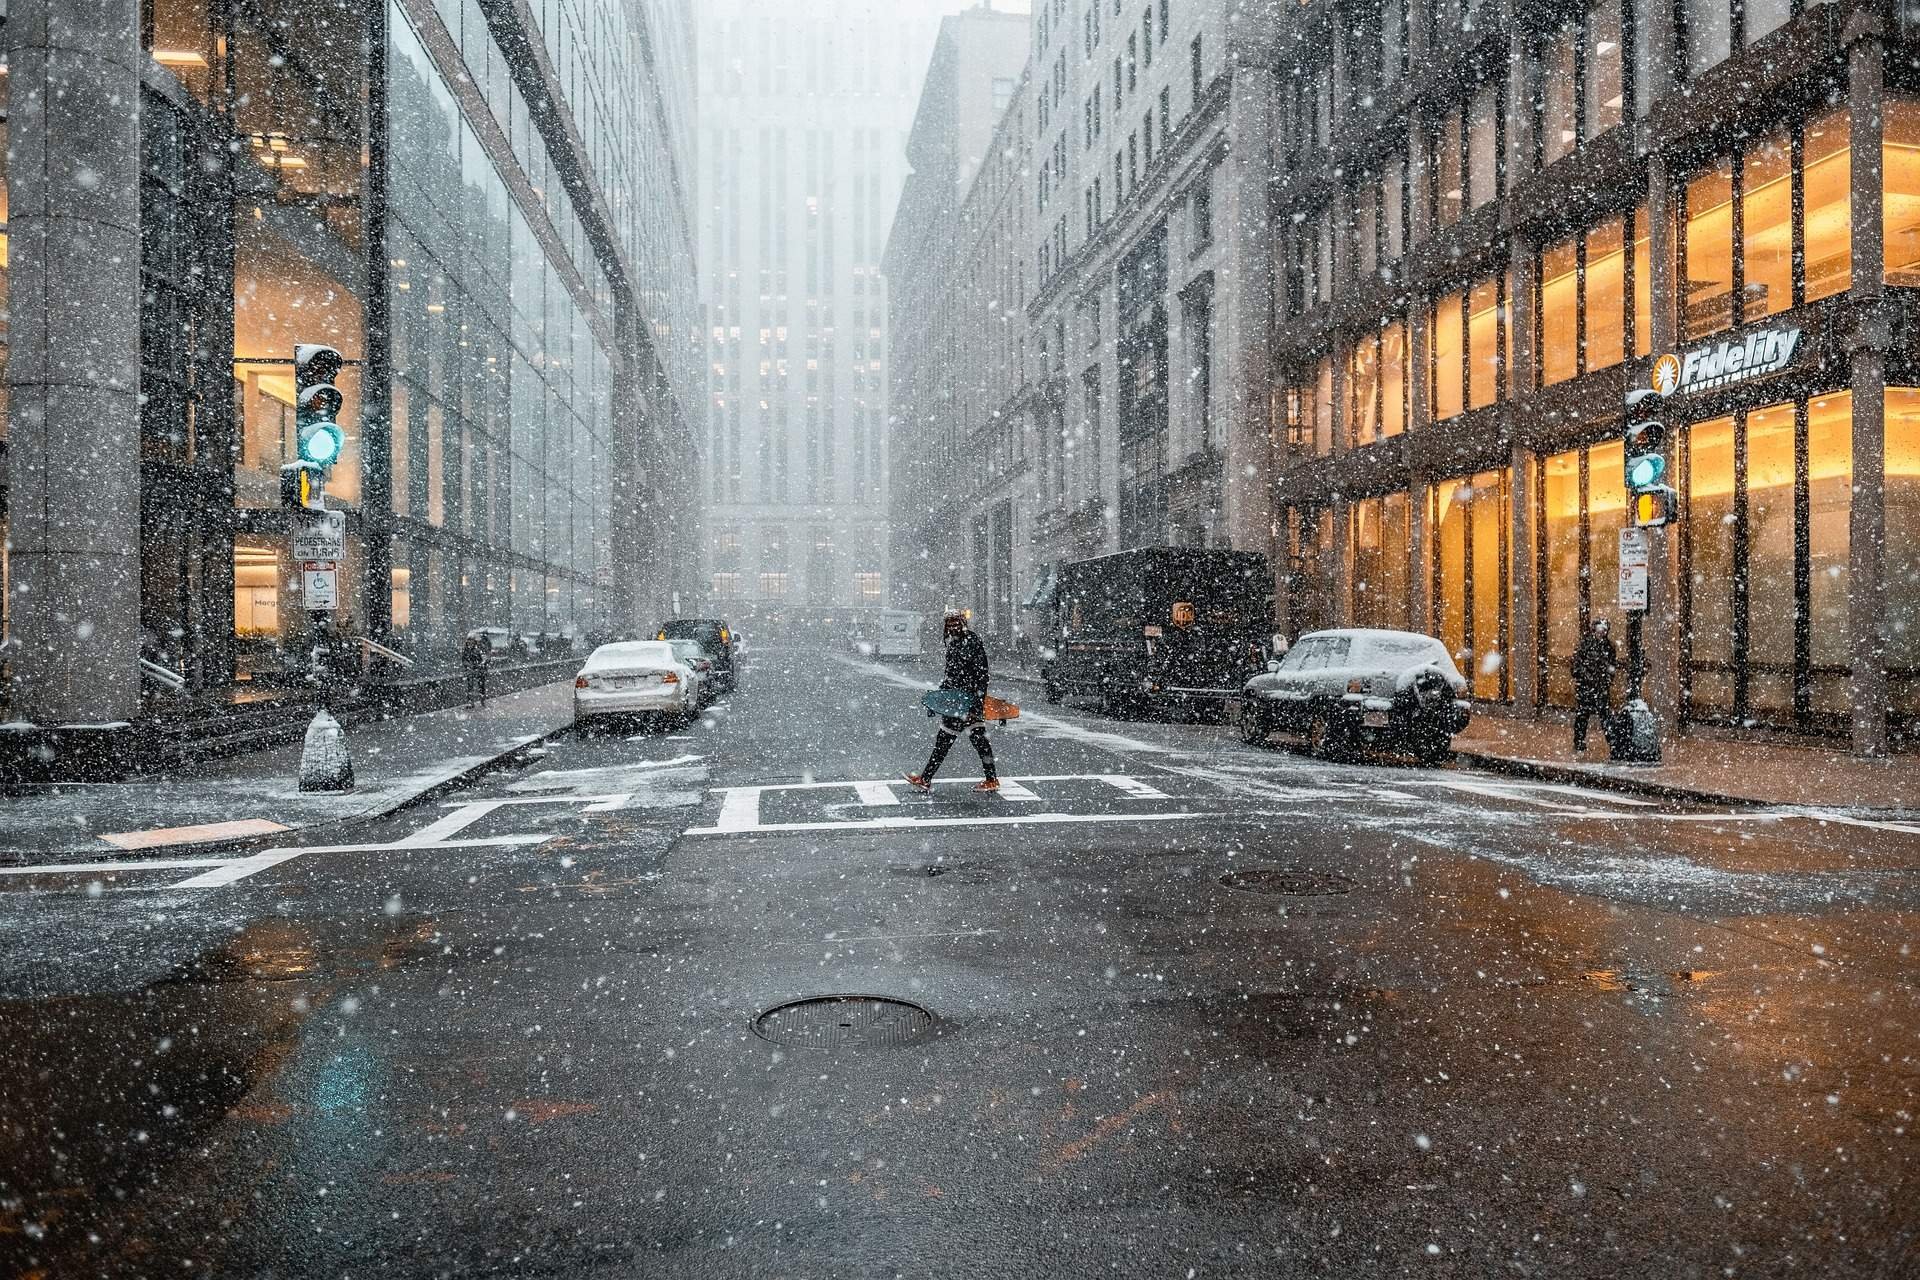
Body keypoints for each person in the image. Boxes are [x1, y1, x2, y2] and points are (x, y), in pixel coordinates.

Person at [907, 612, 999, 793]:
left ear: (963, 623)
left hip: (967, 701)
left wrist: (976, 704)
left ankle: (926, 779)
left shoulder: (971, 642)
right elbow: (950, 676)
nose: (952, 627)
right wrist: (939, 698)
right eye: (949, 623)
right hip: (956, 701)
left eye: (956, 622)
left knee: (954, 740)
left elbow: (982, 675)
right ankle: (991, 779)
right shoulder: (954, 643)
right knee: (966, 739)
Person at [1570, 618, 1619, 753]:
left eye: (1604, 630)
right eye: (1599, 630)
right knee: (1582, 716)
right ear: (1594, 630)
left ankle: (1613, 743)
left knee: (1605, 716)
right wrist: (1587, 678)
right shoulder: (1585, 644)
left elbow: (1612, 665)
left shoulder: (1609, 646)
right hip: (1586, 687)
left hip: (1601, 687)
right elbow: (1576, 666)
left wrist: (1607, 680)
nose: (1602, 633)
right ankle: (1579, 742)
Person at [462, 632, 491, 705]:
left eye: (471, 640)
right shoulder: (466, 649)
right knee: (470, 686)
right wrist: (468, 665)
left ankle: (482, 700)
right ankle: (470, 702)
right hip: (470, 670)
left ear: (475, 641)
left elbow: (486, 658)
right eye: (468, 640)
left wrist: (480, 664)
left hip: (480, 670)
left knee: (481, 685)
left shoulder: (480, 647)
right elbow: (463, 659)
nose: (469, 642)